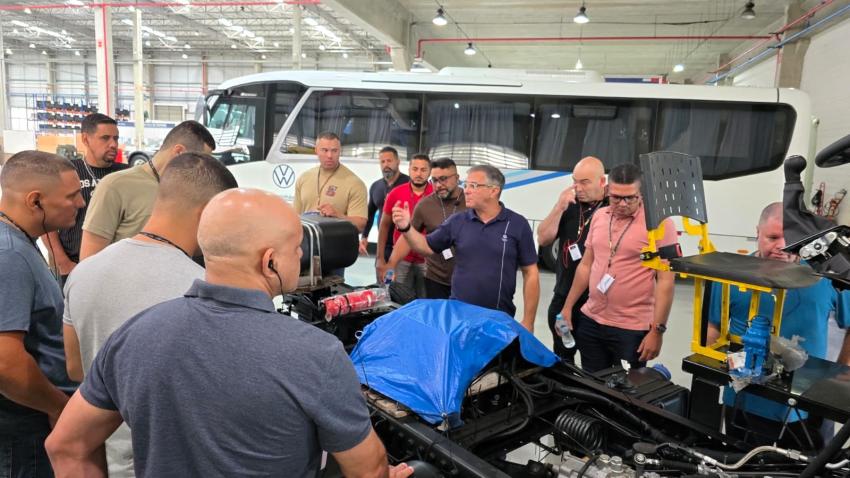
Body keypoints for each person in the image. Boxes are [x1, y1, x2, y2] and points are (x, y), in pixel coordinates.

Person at [46, 189, 413, 478]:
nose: (299, 257)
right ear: (270, 261)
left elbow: (65, 447)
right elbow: (366, 470)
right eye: (296, 249)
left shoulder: (133, 335)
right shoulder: (317, 354)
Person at [62, 153, 237, 478]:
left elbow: (75, 367)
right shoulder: (202, 288)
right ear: (206, 213)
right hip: (171, 460)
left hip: (103, 457)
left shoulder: (83, 273)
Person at [707, 202, 850, 448]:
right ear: (757, 233)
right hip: (746, 398)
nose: (782, 246)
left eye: (791, 239)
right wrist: (714, 372)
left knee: (810, 464)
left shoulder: (826, 277)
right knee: (742, 459)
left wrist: (839, 373)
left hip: (809, 403)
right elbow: (714, 328)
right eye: (772, 238)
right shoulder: (730, 275)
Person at [0, 151, 84, 477]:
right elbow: (5, 362)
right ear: (35, 201)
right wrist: (58, 406)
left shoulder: (19, 243)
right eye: (71, 196)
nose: (80, 203)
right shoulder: (10, 255)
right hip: (25, 425)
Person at [392, 164, 539, 331]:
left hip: (499, 318)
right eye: (466, 185)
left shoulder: (517, 224)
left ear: (493, 191)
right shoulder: (458, 221)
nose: (466, 191)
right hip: (459, 317)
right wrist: (406, 228)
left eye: (473, 186)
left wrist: (529, 320)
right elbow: (426, 246)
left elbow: (531, 272)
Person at [560, 163, 677, 372]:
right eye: (616, 197)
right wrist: (567, 307)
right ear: (607, 191)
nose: (622, 204)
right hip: (591, 320)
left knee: (627, 388)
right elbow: (586, 265)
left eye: (630, 198)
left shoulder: (660, 225)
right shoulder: (599, 216)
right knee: (593, 383)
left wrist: (657, 331)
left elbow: (666, 281)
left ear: (640, 194)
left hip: (631, 329)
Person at [79, 120, 216, 260]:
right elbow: (90, 259)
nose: (203, 169)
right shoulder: (115, 185)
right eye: (200, 161)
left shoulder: (188, 190)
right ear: (179, 152)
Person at [41, 114, 127, 284]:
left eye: (116, 138)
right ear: (86, 139)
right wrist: (63, 263)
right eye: (105, 138)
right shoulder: (67, 172)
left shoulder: (126, 174)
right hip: (75, 264)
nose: (113, 144)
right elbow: (47, 222)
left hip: (118, 266)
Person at [537, 156, 607, 362]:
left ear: (602, 181)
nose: (578, 188)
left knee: (594, 362)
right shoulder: (569, 205)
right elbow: (543, 238)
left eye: (585, 182)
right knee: (562, 358)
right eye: (575, 182)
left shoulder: (611, 207)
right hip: (563, 295)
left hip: (596, 301)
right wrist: (559, 207)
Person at [386, 158, 467, 299]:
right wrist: (391, 265)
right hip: (436, 279)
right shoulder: (425, 205)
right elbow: (407, 236)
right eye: (434, 180)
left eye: (444, 179)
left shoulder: (470, 202)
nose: (439, 185)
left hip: (466, 279)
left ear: (457, 178)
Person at [376, 154, 432, 294]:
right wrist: (380, 258)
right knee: (397, 297)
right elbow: (384, 226)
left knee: (426, 299)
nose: (418, 174)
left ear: (430, 172)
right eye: (415, 169)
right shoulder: (396, 193)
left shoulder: (436, 195)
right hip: (400, 259)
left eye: (423, 170)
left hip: (428, 260)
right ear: (409, 170)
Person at [293, 132, 368, 233]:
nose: (329, 155)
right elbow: (294, 217)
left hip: (337, 241)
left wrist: (338, 215)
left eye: (334, 151)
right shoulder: (304, 178)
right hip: (306, 240)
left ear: (340, 151)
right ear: (316, 150)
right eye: (325, 150)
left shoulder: (355, 184)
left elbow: (360, 225)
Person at [360, 146, 409, 256]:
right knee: (381, 267)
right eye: (382, 162)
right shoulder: (376, 186)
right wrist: (364, 236)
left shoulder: (409, 184)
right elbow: (370, 214)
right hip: (383, 244)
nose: (386, 165)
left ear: (398, 162)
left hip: (406, 244)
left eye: (389, 161)